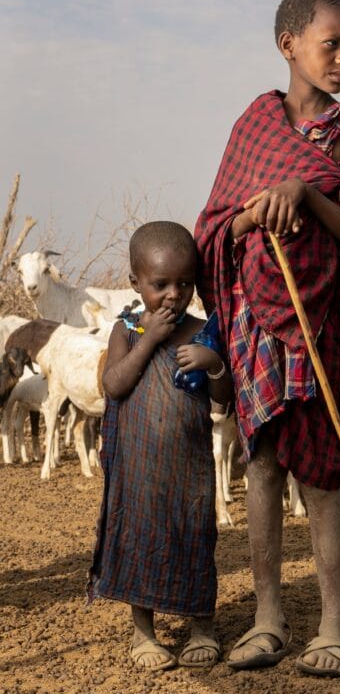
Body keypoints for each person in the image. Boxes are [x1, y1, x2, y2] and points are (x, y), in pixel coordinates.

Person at [194, 0, 340, 678]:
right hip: (254, 319)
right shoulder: (253, 125)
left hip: (320, 321)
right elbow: (213, 226)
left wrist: (306, 193)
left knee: (323, 472)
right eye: (332, 44)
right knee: (263, 465)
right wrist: (256, 213)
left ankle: (334, 624)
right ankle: (268, 617)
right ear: (289, 46)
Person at [89, 221, 232, 670]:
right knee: (139, 541)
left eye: (185, 283)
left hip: (189, 469)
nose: (174, 294)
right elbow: (113, 385)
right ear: (135, 282)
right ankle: (143, 634)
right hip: (138, 470)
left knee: (195, 539)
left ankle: (202, 627)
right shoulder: (127, 329)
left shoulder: (201, 332)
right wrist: (149, 339)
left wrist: (214, 366)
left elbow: (223, 400)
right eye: (161, 284)